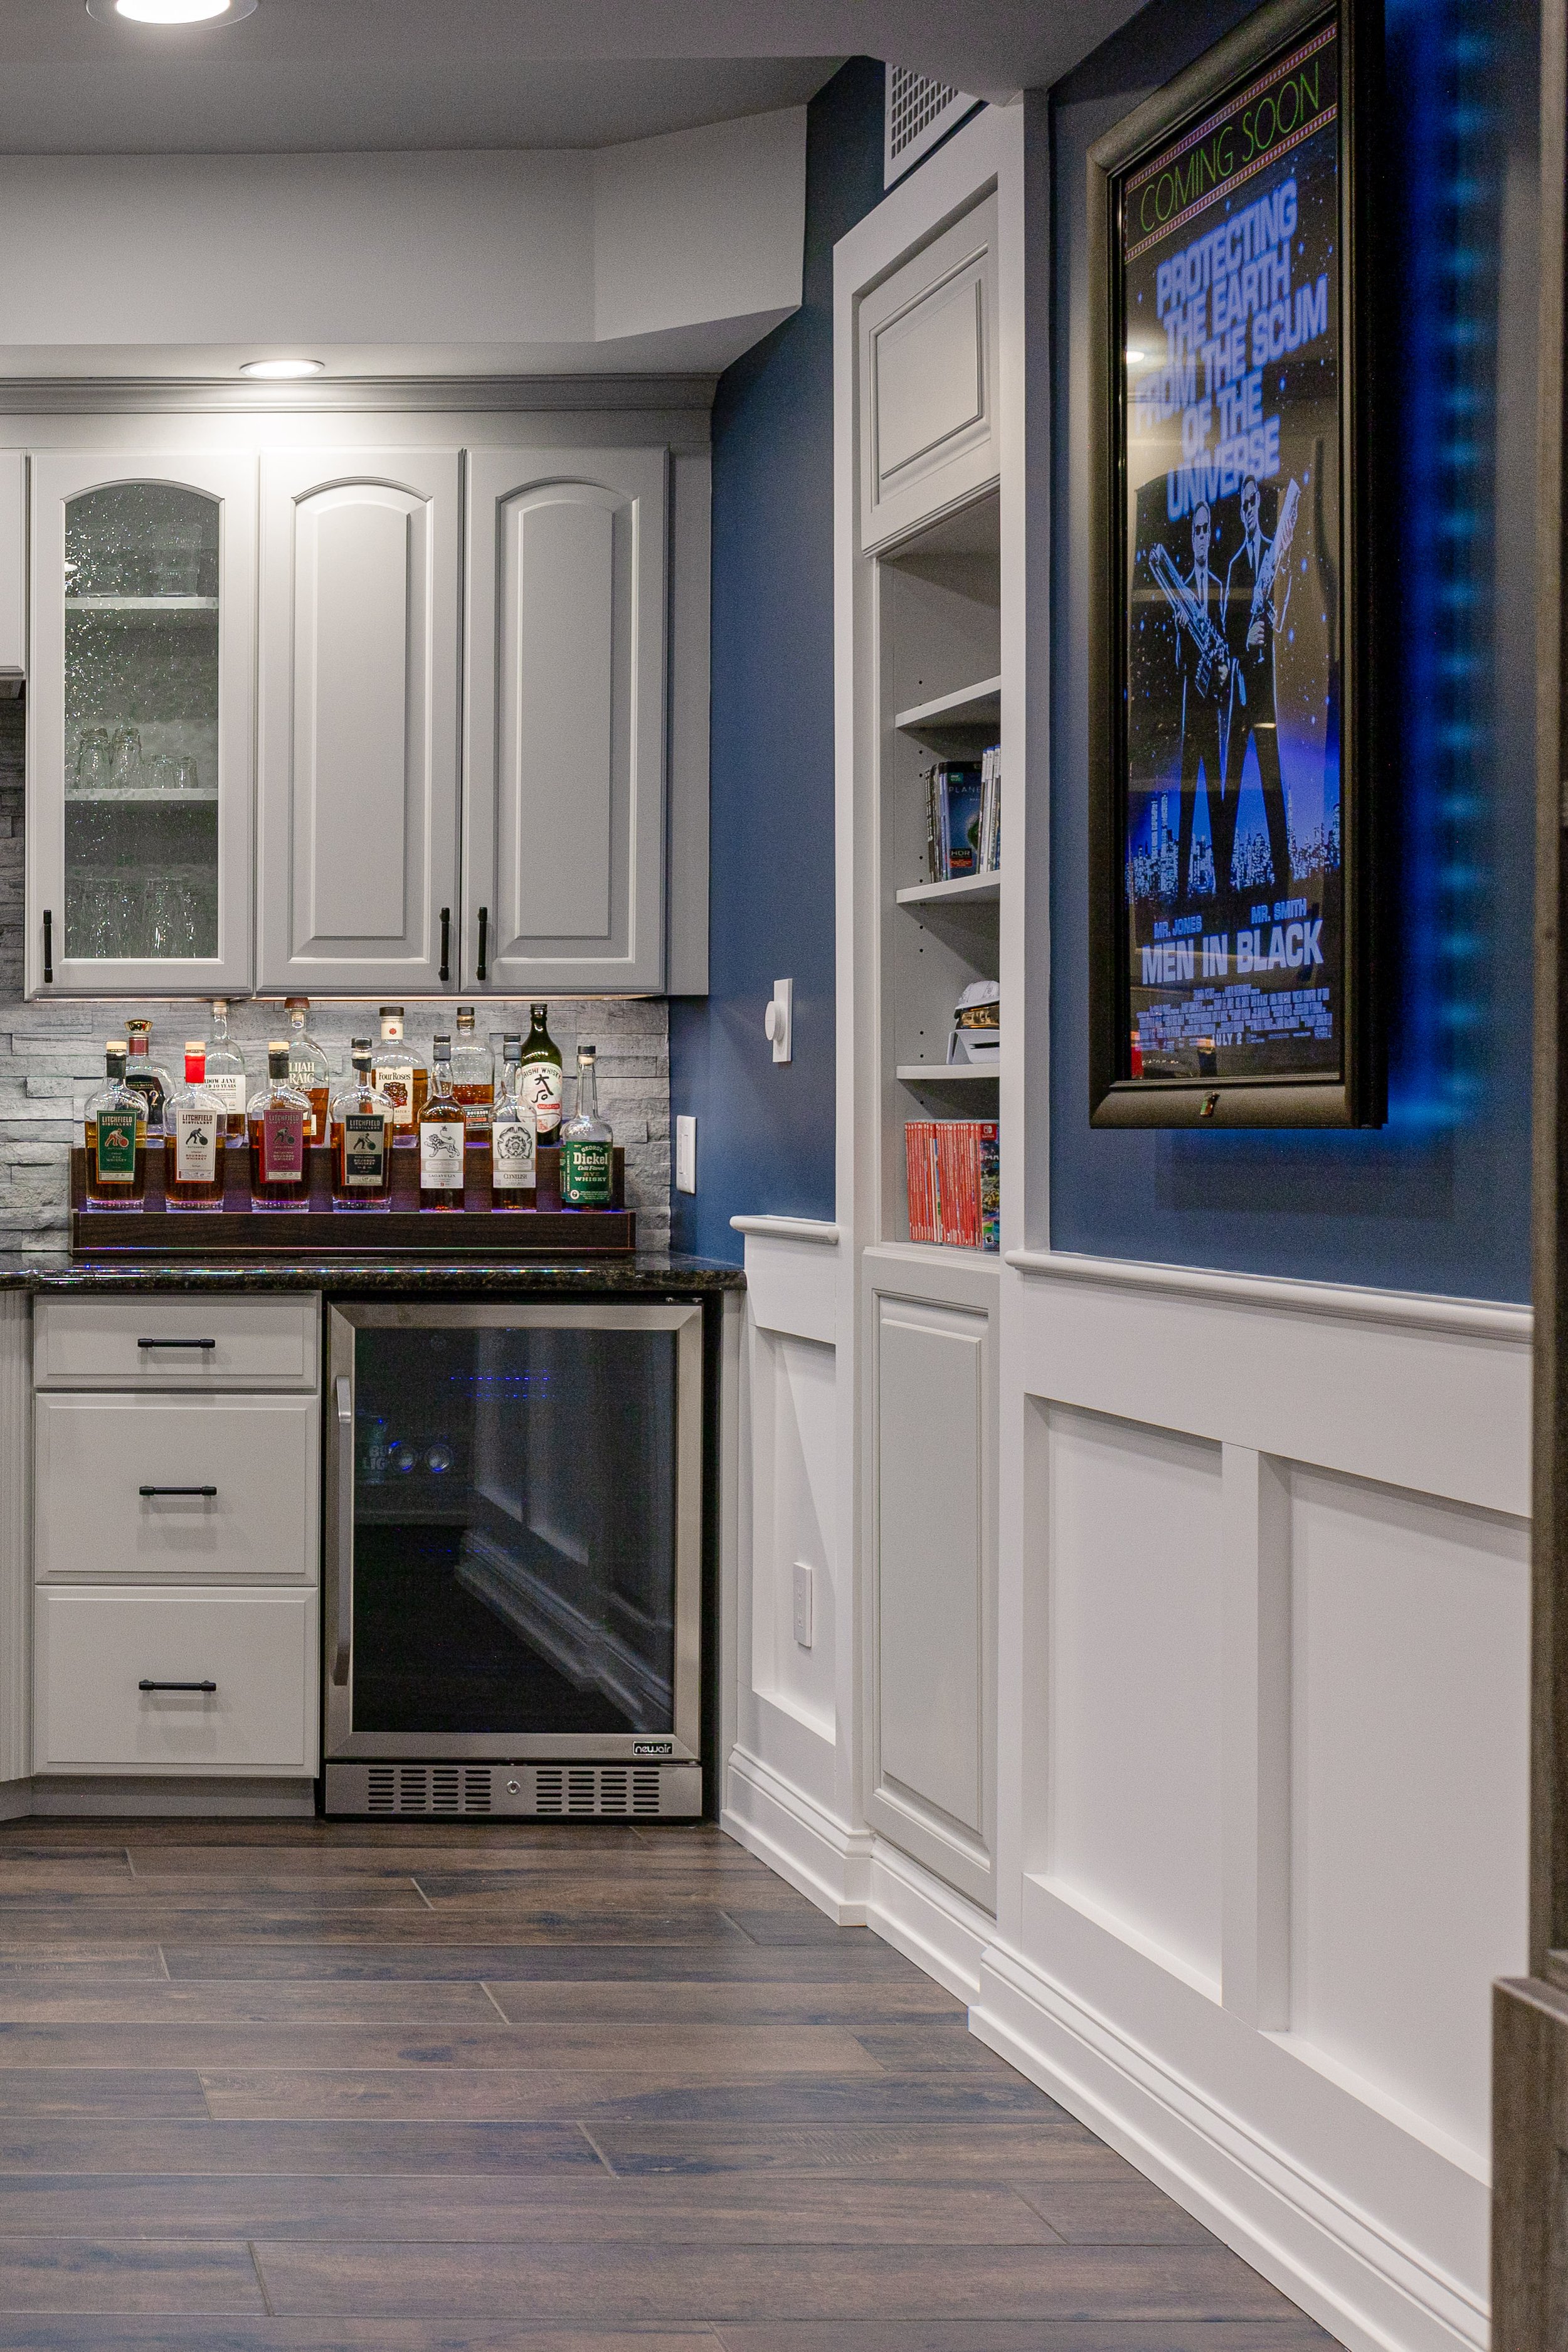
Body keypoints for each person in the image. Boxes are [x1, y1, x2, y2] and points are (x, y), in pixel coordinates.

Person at [1216, 472, 1295, 898]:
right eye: (1243, 504)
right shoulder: (1233, 567)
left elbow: (1288, 613)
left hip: (1269, 696)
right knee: (1229, 784)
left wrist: (1272, 629)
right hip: (1241, 696)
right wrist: (1245, 639)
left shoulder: (1274, 556)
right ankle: (1224, 883)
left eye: (1254, 503)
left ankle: (1283, 879)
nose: (1249, 511)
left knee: (1272, 783)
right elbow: (1228, 628)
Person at [1172, 500, 1227, 905]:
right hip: (1194, 715)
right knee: (1188, 805)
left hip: (1218, 715)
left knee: (1219, 798)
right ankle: (1180, 888)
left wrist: (1223, 668)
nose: (1203, 538)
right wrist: (1181, 633)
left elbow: (1229, 650)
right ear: (1192, 537)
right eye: (1197, 530)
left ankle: (1223, 886)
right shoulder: (1183, 592)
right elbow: (1178, 668)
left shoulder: (1225, 590)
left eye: (1208, 530)